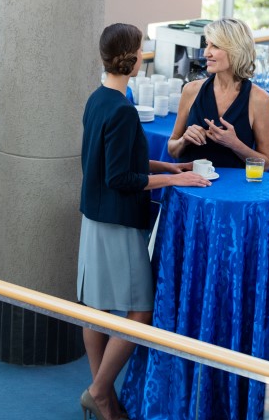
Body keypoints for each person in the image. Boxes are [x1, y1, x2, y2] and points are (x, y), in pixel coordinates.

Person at [78, 23, 210, 420]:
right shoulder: (120, 109)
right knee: (141, 311)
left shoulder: (99, 99)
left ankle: (100, 394)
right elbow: (121, 178)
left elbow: (110, 163)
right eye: (141, 50)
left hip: (94, 217)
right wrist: (175, 178)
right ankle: (101, 392)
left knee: (97, 308)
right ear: (132, 59)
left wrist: (168, 164)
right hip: (116, 222)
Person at [167, 18, 269, 170]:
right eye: (207, 44)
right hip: (191, 186)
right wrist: (184, 140)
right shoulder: (191, 90)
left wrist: (234, 144)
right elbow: (172, 150)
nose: (206, 53)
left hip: (233, 190)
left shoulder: (259, 99)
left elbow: (266, 163)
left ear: (236, 50)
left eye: (215, 46)